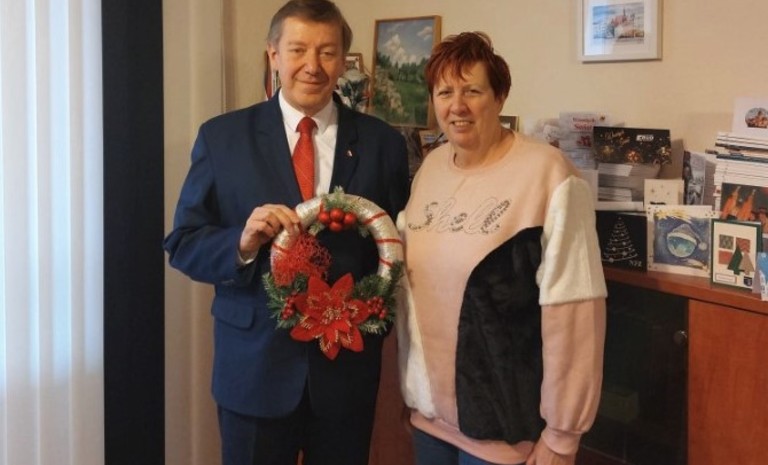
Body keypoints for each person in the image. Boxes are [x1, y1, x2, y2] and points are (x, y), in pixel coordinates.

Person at [163, 1, 410, 464]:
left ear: (343, 59)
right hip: (253, 371)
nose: (312, 66)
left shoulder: (383, 144)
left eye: (327, 52)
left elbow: (400, 249)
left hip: (347, 374)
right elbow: (183, 243)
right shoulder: (222, 138)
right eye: (298, 50)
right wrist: (240, 243)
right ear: (273, 54)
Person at [398, 32, 607, 465]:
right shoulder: (431, 169)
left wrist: (562, 434)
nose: (457, 106)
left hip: (505, 428)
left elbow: (575, 311)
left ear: (499, 96)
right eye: (445, 93)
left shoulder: (547, 173)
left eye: (472, 91)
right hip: (429, 419)